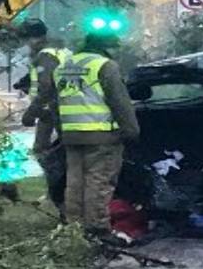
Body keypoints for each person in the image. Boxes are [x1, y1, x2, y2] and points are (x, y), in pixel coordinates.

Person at [32, 31, 140, 238]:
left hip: (72, 135)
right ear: (107, 47)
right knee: (98, 181)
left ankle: (74, 227)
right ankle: (97, 229)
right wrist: (131, 131)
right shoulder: (105, 66)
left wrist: (61, 130)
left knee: (75, 182)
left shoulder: (64, 66)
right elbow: (119, 101)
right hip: (101, 136)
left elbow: (55, 102)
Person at [19, 20, 71, 216]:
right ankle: (58, 194)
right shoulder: (62, 51)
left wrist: (31, 111)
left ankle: (57, 194)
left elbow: (47, 86)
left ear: (31, 38)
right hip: (67, 108)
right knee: (53, 150)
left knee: (45, 152)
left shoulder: (45, 55)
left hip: (51, 110)